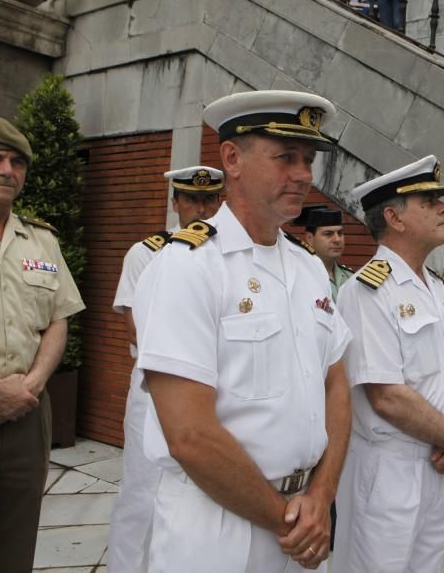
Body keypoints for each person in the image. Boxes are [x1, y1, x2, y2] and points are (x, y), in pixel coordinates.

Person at [132, 91, 352, 572]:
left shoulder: (309, 268)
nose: (304, 175)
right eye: (285, 158)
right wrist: (290, 522)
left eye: (308, 160)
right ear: (231, 158)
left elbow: (336, 382)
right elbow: (189, 433)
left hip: (303, 517)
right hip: (219, 529)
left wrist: (322, 494)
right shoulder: (188, 266)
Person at [334, 155, 444, 573]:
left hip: (437, 461)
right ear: (395, 218)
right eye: (429, 200)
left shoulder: (434, 287)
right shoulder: (367, 291)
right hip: (388, 471)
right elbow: (386, 397)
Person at [0, 115, 85, 572]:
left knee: (9, 555)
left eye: (17, 162)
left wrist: (28, 386)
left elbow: (57, 321)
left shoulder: (42, 238)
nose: (7, 170)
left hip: (28, 419)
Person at [106, 165, 224, 573]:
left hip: (212, 390)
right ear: (175, 203)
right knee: (143, 492)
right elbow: (138, 326)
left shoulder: (228, 253)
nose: (201, 208)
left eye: (209, 199)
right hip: (155, 390)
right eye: (191, 198)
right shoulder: (147, 252)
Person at [292, 205, 353, 301]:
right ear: (309, 239)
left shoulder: (350, 277)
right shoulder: (298, 278)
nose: (337, 239)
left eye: (340, 233)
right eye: (328, 234)